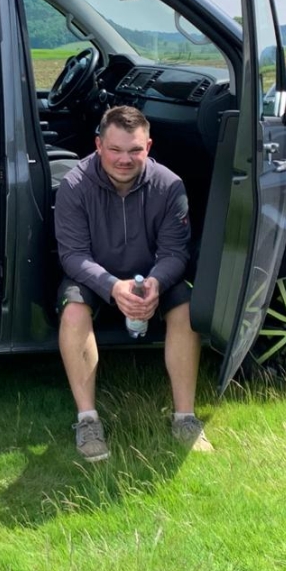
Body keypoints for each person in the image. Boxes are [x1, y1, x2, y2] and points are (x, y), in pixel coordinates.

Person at [54, 105, 213, 462]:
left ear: (148, 147)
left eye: (134, 150)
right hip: (94, 277)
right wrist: (113, 286)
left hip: (153, 276)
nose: (124, 159)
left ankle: (185, 418)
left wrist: (156, 282)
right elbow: (73, 256)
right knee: (74, 312)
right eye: (115, 149)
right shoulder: (74, 186)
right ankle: (87, 420)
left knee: (186, 309)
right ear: (98, 145)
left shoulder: (170, 186)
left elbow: (176, 252)